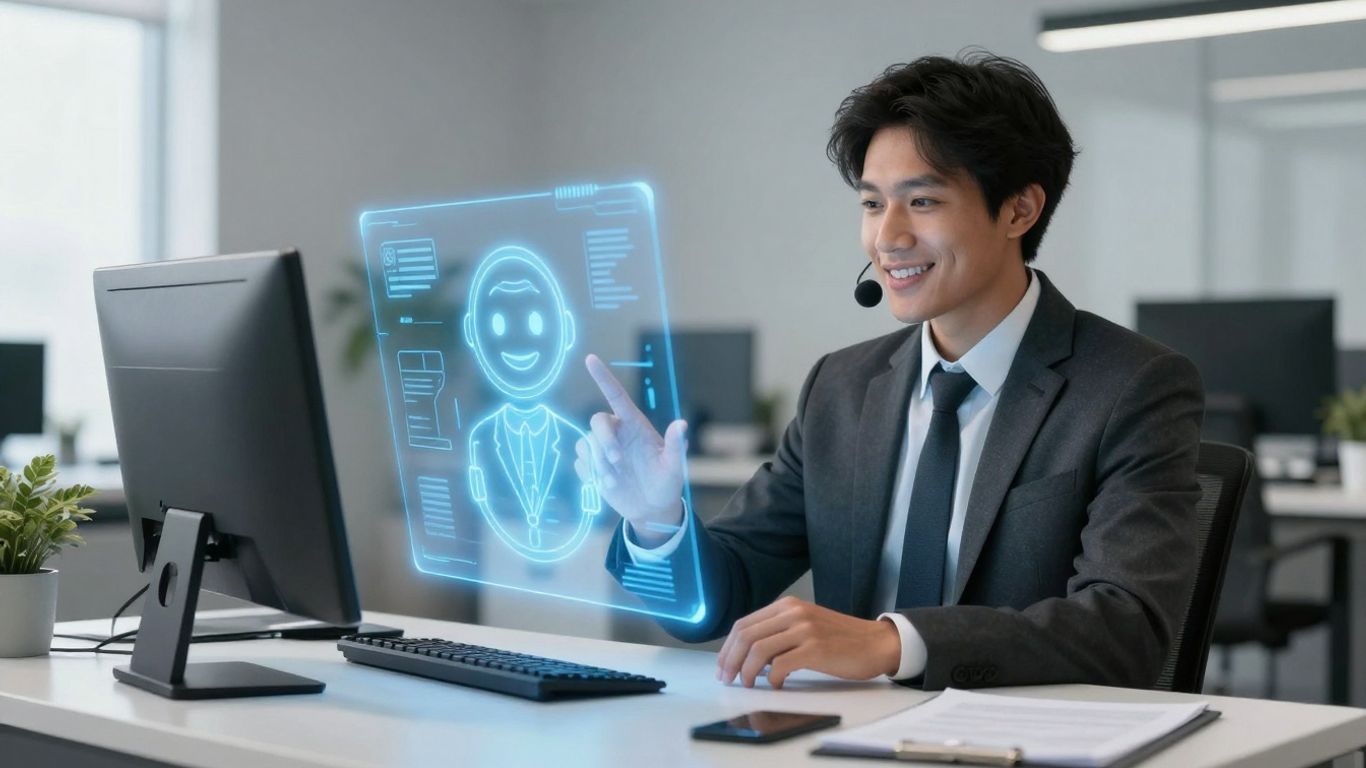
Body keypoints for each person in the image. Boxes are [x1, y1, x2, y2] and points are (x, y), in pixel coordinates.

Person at [573, 50, 1203, 691]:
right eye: (873, 204)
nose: (887, 237)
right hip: (843, 730)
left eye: (922, 201)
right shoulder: (840, 388)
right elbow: (717, 598)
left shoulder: (1131, 385)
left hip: (1017, 733)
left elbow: (1126, 630)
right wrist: (657, 522)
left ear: (1019, 210)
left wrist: (894, 643)